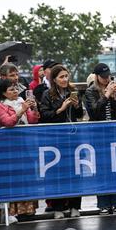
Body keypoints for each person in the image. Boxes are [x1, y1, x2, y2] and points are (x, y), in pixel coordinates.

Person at [39, 65, 83, 219]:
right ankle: (58, 207)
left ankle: (75, 206)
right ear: (54, 79)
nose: (65, 79)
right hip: (56, 138)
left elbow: (79, 113)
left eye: (66, 76)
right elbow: (44, 116)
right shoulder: (47, 95)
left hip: (73, 137)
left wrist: (77, 105)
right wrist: (61, 108)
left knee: (75, 171)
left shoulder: (73, 91)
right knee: (57, 172)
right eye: (61, 77)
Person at [85, 63, 116, 215]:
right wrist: (106, 95)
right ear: (96, 77)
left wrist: (115, 98)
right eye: (103, 77)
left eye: (108, 76)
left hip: (114, 133)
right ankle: (103, 203)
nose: (106, 79)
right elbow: (94, 113)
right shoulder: (90, 91)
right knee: (102, 169)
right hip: (98, 135)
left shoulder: (112, 87)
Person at [0, 79, 40, 224]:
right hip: (9, 149)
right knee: (13, 179)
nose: (15, 91)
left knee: (27, 177)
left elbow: (33, 120)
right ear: (4, 93)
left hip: (26, 145)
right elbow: (7, 122)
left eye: (16, 89)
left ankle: (28, 210)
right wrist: (21, 110)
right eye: (11, 89)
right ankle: (11, 212)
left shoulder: (22, 101)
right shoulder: (1, 106)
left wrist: (34, 108)